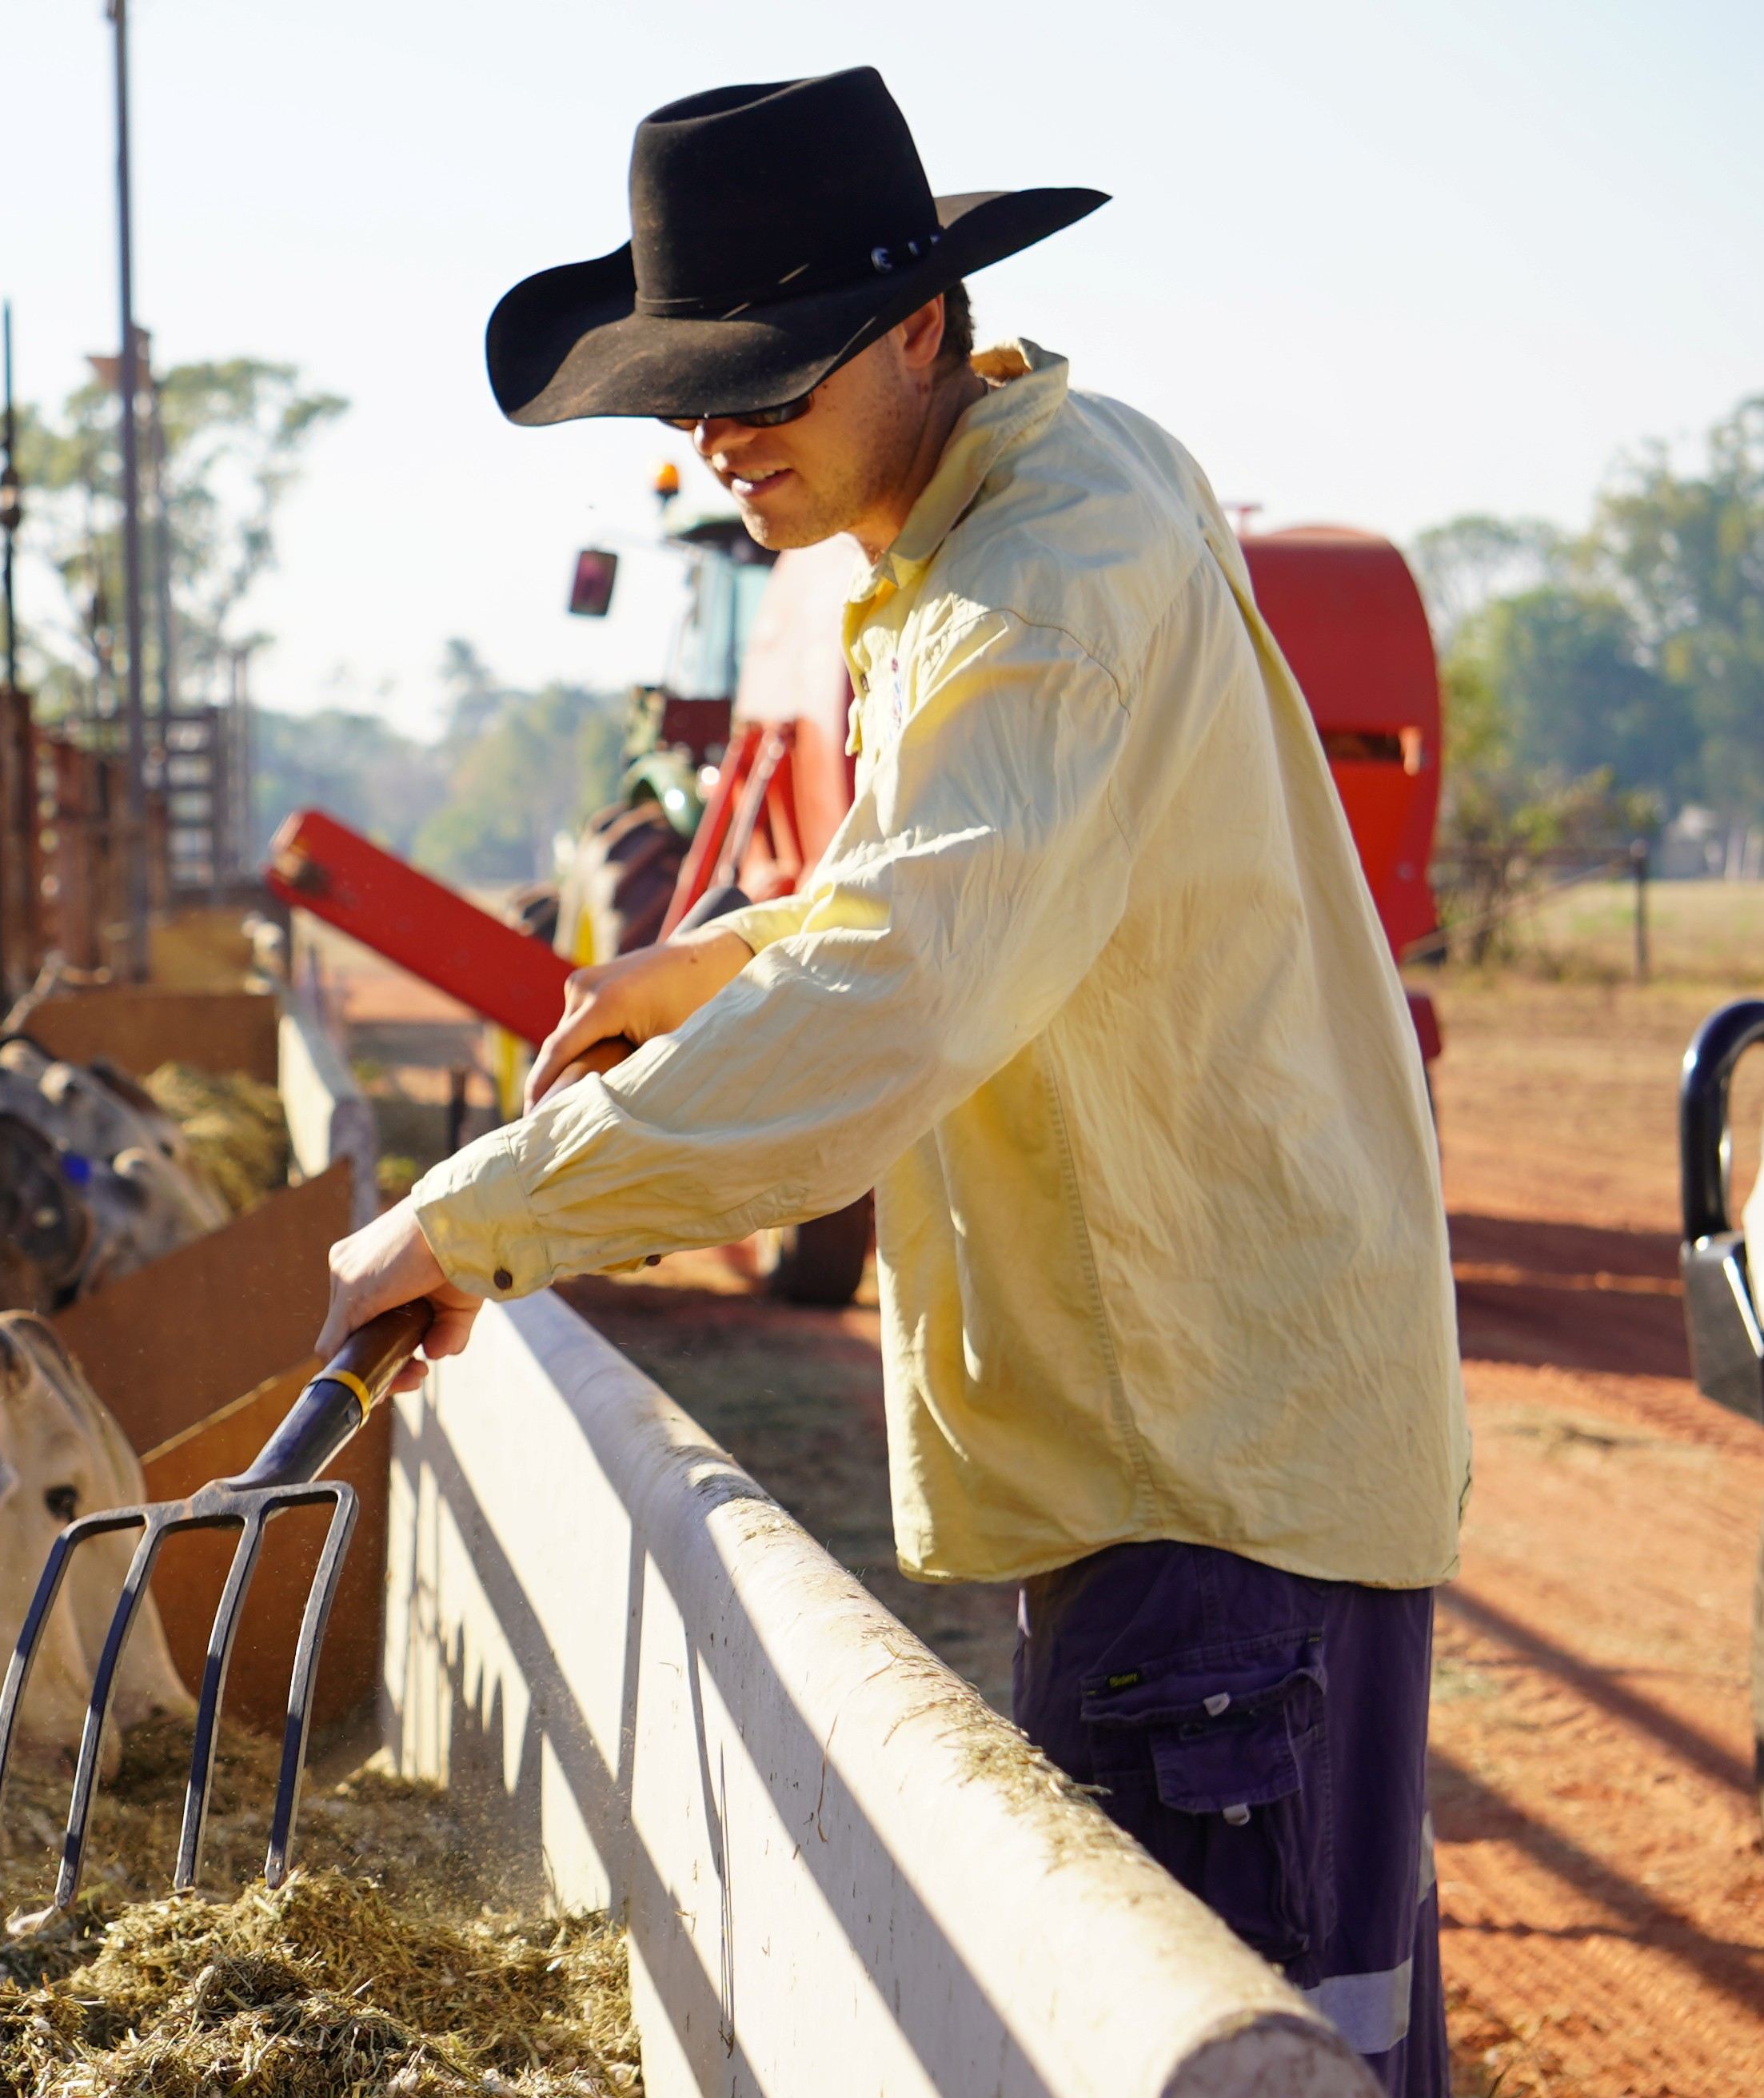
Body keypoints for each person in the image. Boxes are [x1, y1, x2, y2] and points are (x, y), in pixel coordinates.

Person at [316, 67, 1465, 2094]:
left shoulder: (1042, 579)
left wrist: (479, 1217)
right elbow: (959, 885)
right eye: (692, 383)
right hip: (1196, 1446)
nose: (714, 431)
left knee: (1246, 2054)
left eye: (761, 371)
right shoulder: (1022, 501)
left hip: (1200, 1472)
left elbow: (911, 996)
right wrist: (722, 946)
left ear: (924, 322)